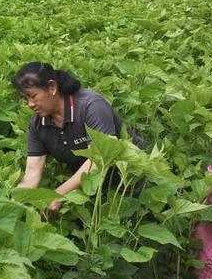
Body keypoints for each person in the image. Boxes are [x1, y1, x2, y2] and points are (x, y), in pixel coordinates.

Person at [13, 62, 145, 213]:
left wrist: (57, 195)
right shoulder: (38, 124)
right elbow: (32, 174)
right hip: (90, 187)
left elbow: (99, 159)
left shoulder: (90, 105)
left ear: (52, 87)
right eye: (25, 99)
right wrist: (13, 205)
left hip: (130, 178)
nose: (30, 104)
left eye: (33, 96)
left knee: (130, 222)